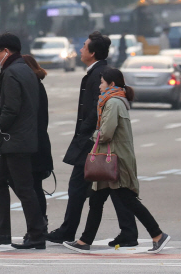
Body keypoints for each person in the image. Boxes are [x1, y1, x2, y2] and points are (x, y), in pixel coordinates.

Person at [63, 69, 171, 254]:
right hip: (109, 159)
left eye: (102, 83)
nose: (99, 86)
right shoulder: (114, 101)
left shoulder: (112, 102)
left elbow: (106, 133)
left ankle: (158, 235)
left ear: (112, 84)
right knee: (96, 201)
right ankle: (84, 241)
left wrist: (94, 136)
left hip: (115, 160)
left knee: (128, 199)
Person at [47, 32, 138, 247]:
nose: (80, 49)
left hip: (93, 141)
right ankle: (128, 232)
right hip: (93, 140)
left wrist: (85, 135)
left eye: (84, 46)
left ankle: (69, 231)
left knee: (81, 187)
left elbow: (96, 112)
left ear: (93, 52)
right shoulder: (96, 71)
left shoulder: (101, 73)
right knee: (109, 188)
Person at [0, 33, 46, 250]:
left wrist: (1, 125)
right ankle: (3, 231)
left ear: (6, 51)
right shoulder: (26, 69)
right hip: (22, 138)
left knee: (24, 188)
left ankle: (36, 233)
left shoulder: (11, 72)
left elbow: (11, 107)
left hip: (15, 140)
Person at [20, 55, 53, 237]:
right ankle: (40, 222)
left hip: (33, 144)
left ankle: (38, 223)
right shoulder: (37, 86)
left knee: (31, 186)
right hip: (39, 142)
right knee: (35, 186)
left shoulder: (33, 88)